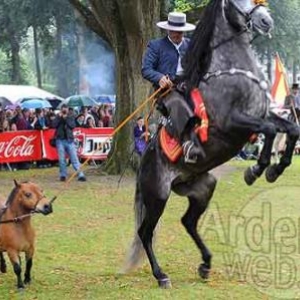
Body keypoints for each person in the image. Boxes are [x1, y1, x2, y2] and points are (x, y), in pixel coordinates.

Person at [141, 12, 205, 163]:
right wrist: (160, 78)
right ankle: (187, 144)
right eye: (175, 31)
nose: (178, 34)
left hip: (189, 88)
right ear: (168, 30)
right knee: (177, 103)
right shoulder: (156, 46)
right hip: (167, 92)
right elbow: (146, 69)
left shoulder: (191, 46)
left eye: (180, 31)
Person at [51, 104, 86, 182]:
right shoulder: (58, 116)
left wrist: (66, 118)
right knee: (62, 159)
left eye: (65, 109)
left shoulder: (70, 116)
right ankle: (63, 175)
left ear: (67, 109)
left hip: (69, 140)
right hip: (60, 140)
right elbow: (53, 125)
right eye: (63, 109)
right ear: (61, 109)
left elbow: (72, 125)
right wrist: (59, 117)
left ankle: (80, 174)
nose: (64, 111)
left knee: (74, 158)